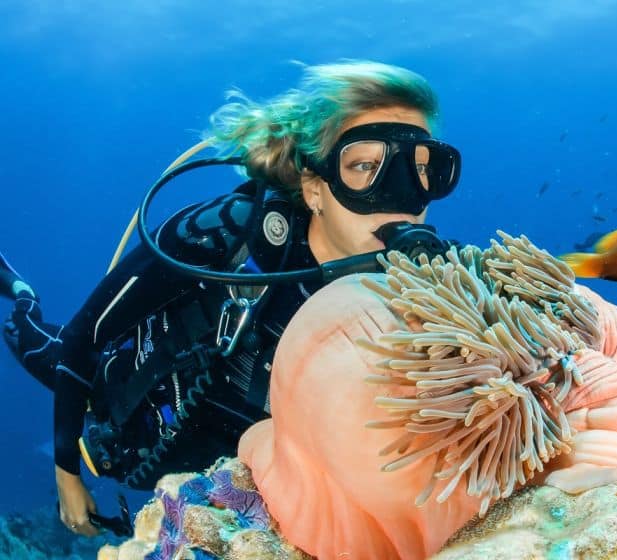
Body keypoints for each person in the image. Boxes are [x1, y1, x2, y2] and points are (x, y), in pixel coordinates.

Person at [1, 60, 461, 537]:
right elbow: (83, 336)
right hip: (120, 398)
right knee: (35, 341)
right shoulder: (222, 236)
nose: (405, 196)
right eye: (366, 166)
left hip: (236, 467)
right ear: (314, 186)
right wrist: (66, 476)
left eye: (424, 170)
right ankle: (18, 290)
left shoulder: (419, 290)